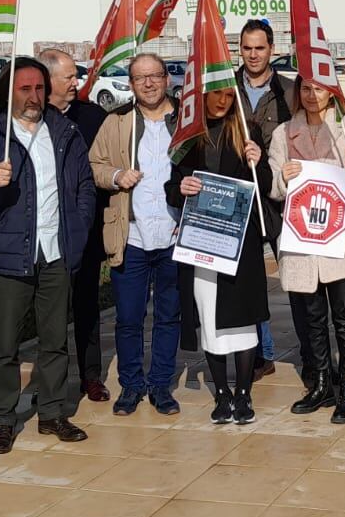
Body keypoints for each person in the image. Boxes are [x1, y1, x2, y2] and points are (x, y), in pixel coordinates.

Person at [0, 57, 95, 453]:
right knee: (4, 345)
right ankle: (4, 418)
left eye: (39, 88)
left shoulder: (64, 132)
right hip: (7, 258)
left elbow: (84, 188)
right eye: (24, 89)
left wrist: (78, 230)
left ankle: (53, 411)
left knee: (55, 340)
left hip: (56, 252)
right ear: (7, 93)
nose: (33, 96)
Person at [268, 76, 345, 423]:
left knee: (344, 318)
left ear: (331, 91)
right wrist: (284, 178)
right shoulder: (283, 133)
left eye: (318, 88)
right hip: (303, 240)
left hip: (340, 237)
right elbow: (274, 186)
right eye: (305, 88)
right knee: (312, 318)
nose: (312, 95)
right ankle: (320, 382)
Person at [171, 84, 273, 424]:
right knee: (211, 320)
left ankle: (243, 393)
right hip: (202, 242)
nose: (222, 102)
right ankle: (222, 393)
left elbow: (265, 185)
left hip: (239, 243)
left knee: (243, 320)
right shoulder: (188, 134)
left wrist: (259, 162)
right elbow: (172, 185)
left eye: (228, 96)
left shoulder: (247, 130)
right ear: (203, 96)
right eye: (216, 95)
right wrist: (181, 188)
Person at [89, 52, 183, 417]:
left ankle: (160, 385)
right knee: (128, 317)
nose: (148, 83)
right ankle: (131, 385)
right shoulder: (116, 122)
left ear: (166, 79)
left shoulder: (184, 119)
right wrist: (116, 177)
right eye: (140, 77)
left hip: (174, 235)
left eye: (155, 75)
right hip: (131, 237)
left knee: (168, 315)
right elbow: (95, 164)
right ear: (131, 84)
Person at [40, 48, 111, 405]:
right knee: (49, 312)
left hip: (84, 230)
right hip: (42, 233)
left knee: (86, 305)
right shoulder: (30, 118)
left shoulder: (93, 116)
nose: (76, 82)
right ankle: (50, 385)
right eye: (69, 77)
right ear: (48, 79)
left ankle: (91, 376)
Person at [235, 18, 294, 380]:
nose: (253, 54)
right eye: (247, 48)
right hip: (241, 197)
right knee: (249, 281)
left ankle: (313, 352)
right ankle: (260, 353)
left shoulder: (290, 90)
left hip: (282, 197)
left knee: (297, 276)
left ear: (272, 49)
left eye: (260, 47)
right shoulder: (227, 89)